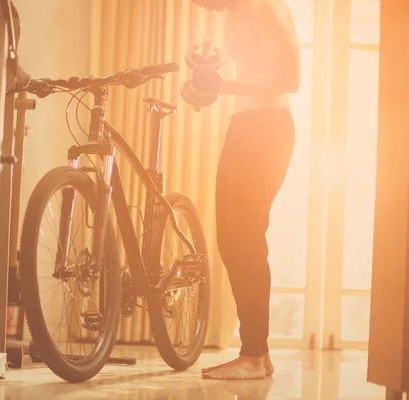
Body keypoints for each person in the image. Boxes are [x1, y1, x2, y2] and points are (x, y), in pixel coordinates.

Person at [188, 0, 301, 380]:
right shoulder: (237, 15)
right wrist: (204, 88)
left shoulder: (265, 7)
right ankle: (256, 354)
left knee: (245, 238)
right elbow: (244, 79)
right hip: (247, 127)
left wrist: (223, 84)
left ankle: (254, 355)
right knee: (232, 241)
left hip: (265, 129)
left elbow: (290, 79)